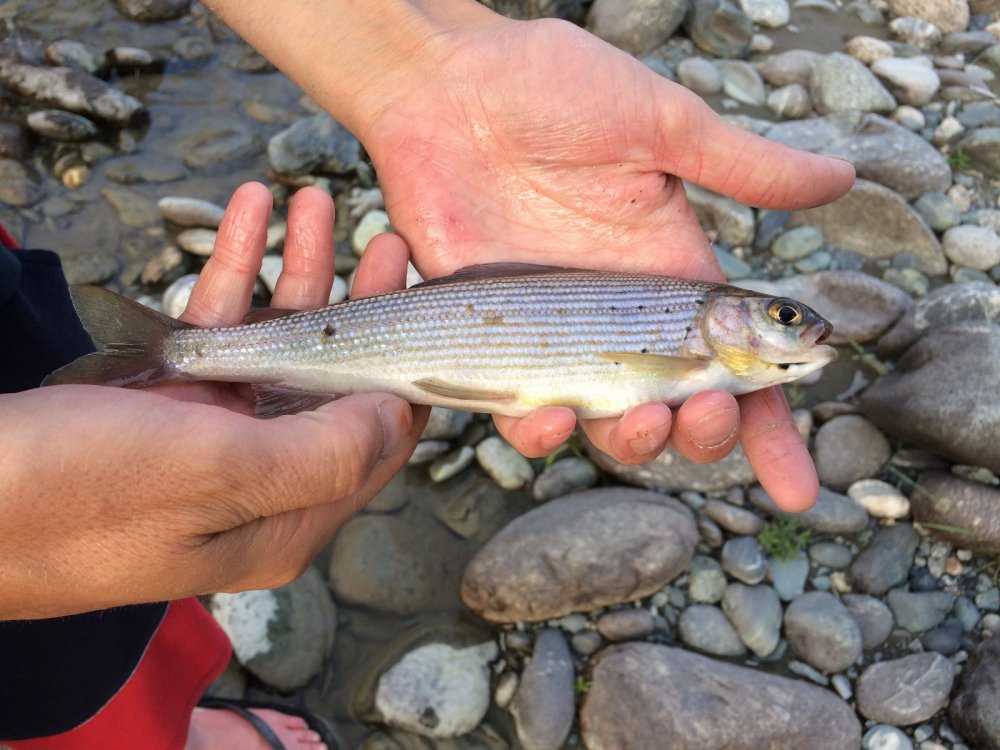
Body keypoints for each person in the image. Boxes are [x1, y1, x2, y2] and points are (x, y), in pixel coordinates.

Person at [1, 0, 856, 746]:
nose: (798, 329)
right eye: (783, 317)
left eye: (785, 318)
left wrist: (424, 62)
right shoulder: (695, 344)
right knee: (60, 663)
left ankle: (168, 719)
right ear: (729, 319)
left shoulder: (700, 342)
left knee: (110, 618)